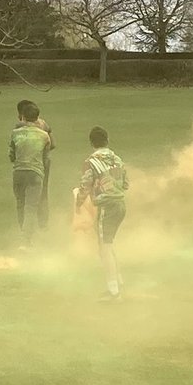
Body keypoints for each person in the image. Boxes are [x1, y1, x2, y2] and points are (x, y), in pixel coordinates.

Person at [76, 126, 128, 302]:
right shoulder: (118, 159)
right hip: (121, 205)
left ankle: (114, 292)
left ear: (92, 143)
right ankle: (118, 282)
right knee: (108, 244)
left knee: (104, 248)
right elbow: (126, 184)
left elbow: (85, 186)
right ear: (107, 140)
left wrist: (79, 202)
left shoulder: (90, 162)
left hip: (106, 207)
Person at [9, 101, 52, 245]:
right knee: (31, 207)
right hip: (36, 173)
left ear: (23, 117)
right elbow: (45, 157)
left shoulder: (15, 133)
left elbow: (12, 156)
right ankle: (26, 241)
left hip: (18, 172)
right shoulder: (44, 136)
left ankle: (23, 234)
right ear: (37, 117)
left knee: (20, 204)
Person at [16, 99, 55, 229]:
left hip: (27, 165)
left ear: (23, 114)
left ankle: (24, 226)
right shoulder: (44, 123)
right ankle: (43, 223)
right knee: (43, 193)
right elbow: (53, 144)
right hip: (45, 163)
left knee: (24, 198)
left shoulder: (20, 127)